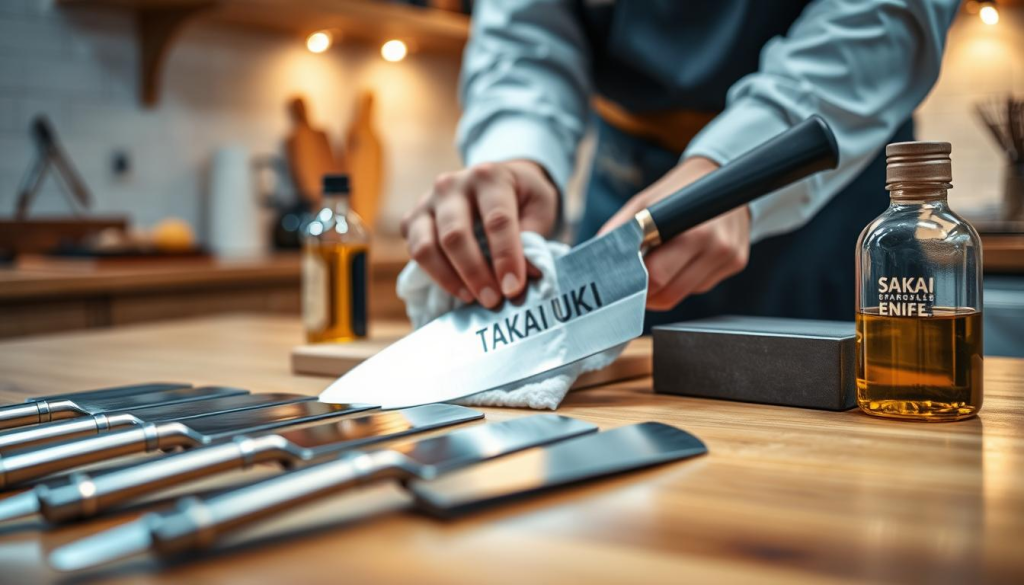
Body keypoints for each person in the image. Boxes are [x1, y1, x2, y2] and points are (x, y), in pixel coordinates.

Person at [401, 0, 960, 326]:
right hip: (623, 190)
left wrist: (735, 163)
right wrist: (517, 156)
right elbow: (525, 32)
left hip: (827, 196)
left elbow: (885, 14)